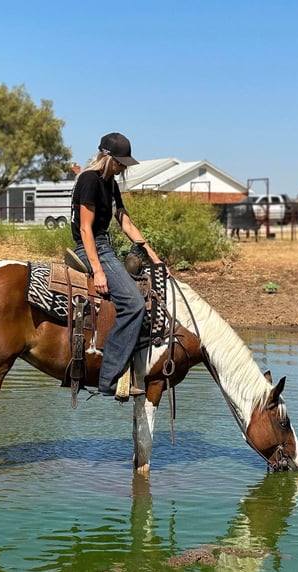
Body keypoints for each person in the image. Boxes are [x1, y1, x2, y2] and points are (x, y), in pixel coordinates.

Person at [71, 132, 164, 397]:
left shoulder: (110, 184)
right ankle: (109, 379)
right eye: (120, 162)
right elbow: (86, 230)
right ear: (106, 157)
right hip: (94, 248)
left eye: (125, 163)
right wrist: (98, 270)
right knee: (133, 304)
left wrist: (155, 259)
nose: (123, 167)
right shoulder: (89, 180)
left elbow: (125, 221)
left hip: (106, 247)